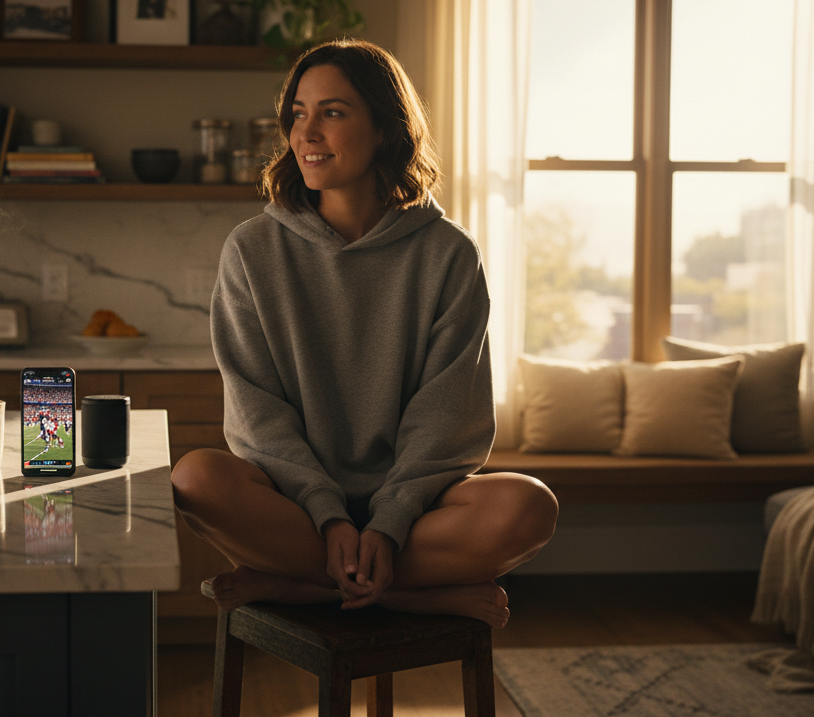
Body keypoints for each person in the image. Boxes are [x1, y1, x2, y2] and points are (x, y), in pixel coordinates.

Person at [171, 39, 558, 628]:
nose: (306, 133)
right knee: (196, 478)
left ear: (385, 128)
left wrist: (390, 519)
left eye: (332, 112)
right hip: (293, 501)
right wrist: (327, 513)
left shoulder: (449, 253)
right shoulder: (252, 249)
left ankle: (303, 584)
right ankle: (409, 592)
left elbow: (449, 412)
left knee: (528, 506)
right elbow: (256, 412)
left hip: (417, 505)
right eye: (298, 114)